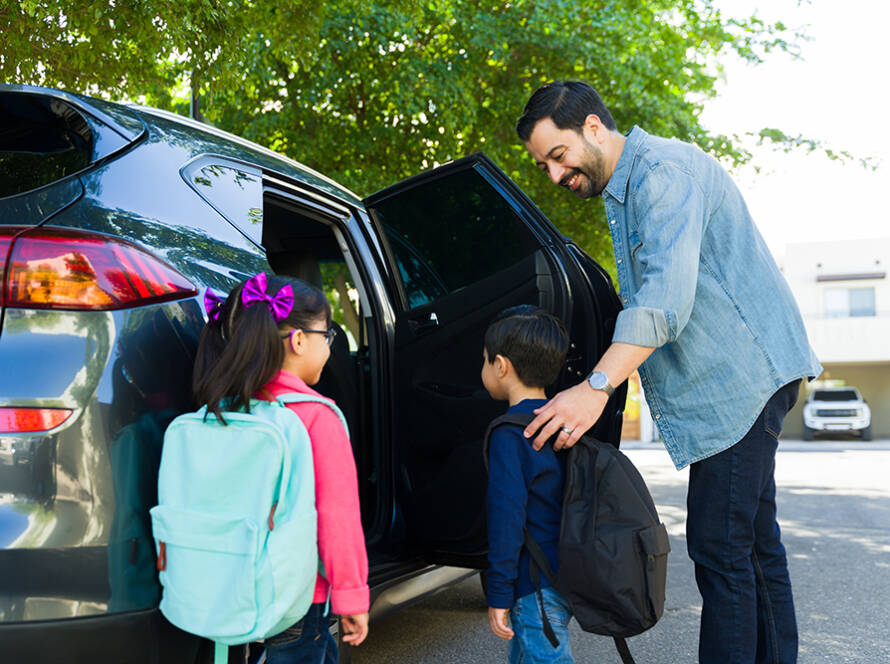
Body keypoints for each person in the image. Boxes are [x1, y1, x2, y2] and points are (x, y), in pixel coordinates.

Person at [515, 81, 821, 664]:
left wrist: (595, 388)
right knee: (755, 547)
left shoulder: (662, 175)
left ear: (594, 128)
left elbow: (663, 303)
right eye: (544, 165)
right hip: (744, 377)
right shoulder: (626, 189)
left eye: (558, 156)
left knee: (722, 547)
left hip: (741, 379)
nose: (555, 175)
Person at [193, 272, 369, 663]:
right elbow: (336, 517)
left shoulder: (220, 411)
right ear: (300, 340)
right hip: (298, 598)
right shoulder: (316, 417)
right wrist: (351, 593)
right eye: (329, 338)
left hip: (230, 589)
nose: (329, 349)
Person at [482, 305, 575, 664]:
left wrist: (499, 593)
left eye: (484, 361)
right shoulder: (564, 421)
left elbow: (507, 518)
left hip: (533, 585)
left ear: (501, 366)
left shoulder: (510, 434)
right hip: (564, 573)